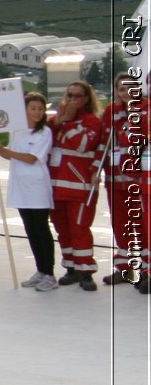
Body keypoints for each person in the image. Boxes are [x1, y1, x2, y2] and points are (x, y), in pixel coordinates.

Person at [0, 93, 58, 291]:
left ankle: (50, 274)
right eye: (33, 108)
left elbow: (31, 158)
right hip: (19, 186)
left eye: (40, 109)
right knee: (30, 230)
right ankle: (40, 270)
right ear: (25, 109)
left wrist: (3, 151)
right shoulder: (17, 130)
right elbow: (13, 155)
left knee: (41, 229)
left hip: (37, 187)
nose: (37, 112)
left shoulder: (44, 133)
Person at [49, 81, 106, 290]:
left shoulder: (92, 122)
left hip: (80, 187)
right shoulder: (58, 120)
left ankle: (86, 271)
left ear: (86, 99)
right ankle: (71, 267)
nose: (72, 100)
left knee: (80, 228)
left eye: (78, 96)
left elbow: (83, 145)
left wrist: (69, 121)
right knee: (62, 230)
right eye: (70, 95)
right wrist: (59, 121)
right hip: (56, 187)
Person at [103, 74, 149, 289]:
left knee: (141, 224)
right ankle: (125, 268)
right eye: (120, 89)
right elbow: (103, 143)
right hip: (114, 178)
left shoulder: (144, 109)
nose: (125, 93)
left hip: (138, 179)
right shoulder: (110, 112)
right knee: (120, 224)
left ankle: (145, 268)